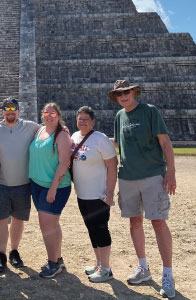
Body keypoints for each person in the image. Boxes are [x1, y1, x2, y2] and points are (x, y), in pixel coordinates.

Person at [109, 80, 176, 298]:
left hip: (152, 175)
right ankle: (143, 267)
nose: (123, 96)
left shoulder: (150, 111)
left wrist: (171, 172)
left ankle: (168, 274)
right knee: (134, 221)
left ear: (134, 92)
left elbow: (165, 142)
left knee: (158, 222)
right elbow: (119, 144)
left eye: (126, 92)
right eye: (119, 94)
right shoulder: (119, 117)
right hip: (127, 176)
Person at [0, 97, 40, 273]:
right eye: (7, 109)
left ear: (18, 110)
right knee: (1, 220)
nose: (10, 112)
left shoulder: (31, 126)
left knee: (18, 220)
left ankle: (14, 251)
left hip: (23, 184)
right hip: (1, 183)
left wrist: (62, 128)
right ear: (2, 111)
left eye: (13, 109)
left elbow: (49, 131)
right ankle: (1, 254)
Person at [70, 106, 117, 282]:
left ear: (93, 122)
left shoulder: (100, 139)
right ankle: (99, 263)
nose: (82, 122)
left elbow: (112, 166)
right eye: (80, 119)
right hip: (82, 194)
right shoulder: (74, 136)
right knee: (91, 229)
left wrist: (110, 190)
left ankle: (106, 268)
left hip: (99, 194)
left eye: (86, 119)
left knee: (101, 229)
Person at [29, 103, 72, 278]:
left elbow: (64, 162)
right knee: (52, 225)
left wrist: (53, 188)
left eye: (53, 114)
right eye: (46, 113)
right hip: (37, 184)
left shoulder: (61, 135)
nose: (49, 116)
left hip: (55, 186)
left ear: (59, 116)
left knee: (47, 226)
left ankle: (53, 263)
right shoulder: (39, 131)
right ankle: (58, 258)